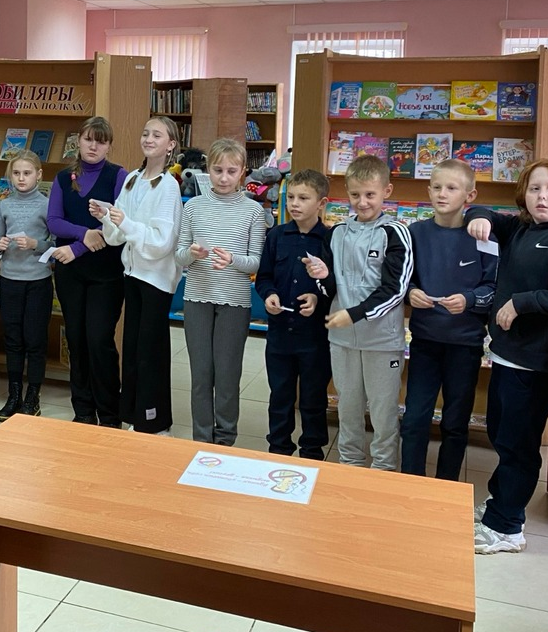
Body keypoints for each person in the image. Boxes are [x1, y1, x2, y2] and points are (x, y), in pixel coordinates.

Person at [466, 158, 548, 554]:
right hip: (508, 355)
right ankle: (499, 505)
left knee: (518, 446)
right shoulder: (524, 227)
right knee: (502, 435)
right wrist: (478, 216)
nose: (542, 196)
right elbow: (483, 212)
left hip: (533, 362)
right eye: (535, 188)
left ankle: (507, 527)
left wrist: (522, 302)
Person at [306, 154, 412, 470]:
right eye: (355, 194)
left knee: (383, 411)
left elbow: (396, 290)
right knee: (348, 407)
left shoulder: (396, 232)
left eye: (370, 194)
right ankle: (350, 465)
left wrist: (353, 314)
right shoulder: (336, 232)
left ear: (386, 192)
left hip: (382, 342)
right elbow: (330, 288)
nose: (362, 202)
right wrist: (322, 278)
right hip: (342, 340)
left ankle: (383, 469)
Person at [400, 159, 497, 480]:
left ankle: (448, 486)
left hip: (465, 345)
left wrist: (469, 299)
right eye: (437, 187)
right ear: (428, 191)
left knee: (455, 422)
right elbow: (401, 279)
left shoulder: (484, 238)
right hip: (424, 341)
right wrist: (411, 292)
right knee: (414, 419)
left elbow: (493, 288)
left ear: (470, 195)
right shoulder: (415, 233)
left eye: (452, 188)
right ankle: (410, 481)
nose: (442, 194)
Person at [175, 138, 267, 445]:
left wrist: (233, 260)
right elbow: (179, 255)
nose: (224, 178)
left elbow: (256, 261)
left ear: (242, 172)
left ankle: (225, 439)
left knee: (227, 375)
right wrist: (192, 254)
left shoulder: (253, 211)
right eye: (218, 170)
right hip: (197, 298)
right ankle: (202, 438)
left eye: (231, 171)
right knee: (201, 374)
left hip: (235, 302)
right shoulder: (193, 207)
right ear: (208, 170)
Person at [98, 116, 183, 435]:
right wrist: (107, 217)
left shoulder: (168, 186)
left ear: (170, 145)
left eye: (157, 135)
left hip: (156, 280)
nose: (148, 139)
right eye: (146, 133)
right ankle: (134, 414)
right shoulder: (133, 178)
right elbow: (116, 236)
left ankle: (155, 421)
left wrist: (125, 222)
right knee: (132, 348)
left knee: (151, 352)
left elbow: (161, 243)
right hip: (132, 275)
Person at [46, 116, 128, 427]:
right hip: (70, 273)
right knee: (76, 339)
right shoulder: (63, 177)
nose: (93, 146)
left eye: (101, 141)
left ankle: (109, 413)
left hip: (107, 274)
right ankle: (82, 410)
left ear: (109, 146)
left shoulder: (119, 176)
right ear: (78, 141)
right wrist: (84, 235)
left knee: (99, 340)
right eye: (88, 139)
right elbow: (54, 222)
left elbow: (118, 226)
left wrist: (78, 247)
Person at [255, 168, 334, 459]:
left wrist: (317, 298)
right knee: (280, 395)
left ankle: (312, 450)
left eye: (303, 198)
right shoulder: (276, 235)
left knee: (313, 397)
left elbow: (335, 285)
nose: (295, 204)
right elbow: (264, 277)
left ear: (321, 203)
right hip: (279, 334)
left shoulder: (330, 240)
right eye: (291, 197)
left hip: (315, 337)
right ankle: (278, 448)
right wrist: (269, 295)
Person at [0, 150, 54, 421]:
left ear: (38, 175)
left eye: (27, 173)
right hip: (10, 279)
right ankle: (14, 393)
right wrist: (0, 244)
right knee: (13, 339)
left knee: (35, 339)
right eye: (16, 173)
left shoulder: (47, 205)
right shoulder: (4, 205)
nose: (21, 178)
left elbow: (55, 244)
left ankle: (33, 395)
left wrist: (34, 244)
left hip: (38, 281)